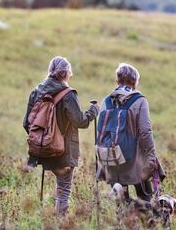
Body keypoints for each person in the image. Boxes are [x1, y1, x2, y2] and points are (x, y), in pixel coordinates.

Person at [23, 56, 99, 215]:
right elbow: (81, 122)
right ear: (66, 74)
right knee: (64, 190)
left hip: (43, 151)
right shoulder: (68, 95)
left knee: (60, 188)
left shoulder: (36, 92)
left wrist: (43, 141)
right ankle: (60, 225)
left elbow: (27, 124)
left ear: (50, 71)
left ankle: (47, 219)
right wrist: (93, 111)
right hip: (64, 151)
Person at [98, 63, 165, 204]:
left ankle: (121, 223)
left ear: (117, 81)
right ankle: (143, 223)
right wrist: (151, 157)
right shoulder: (139, 101)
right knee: (145, 196)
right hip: (134, 159)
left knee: (121, 200)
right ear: (135, 82)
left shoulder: (106, 101)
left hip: (110, 156)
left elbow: (101, 132)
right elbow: (145, 131)